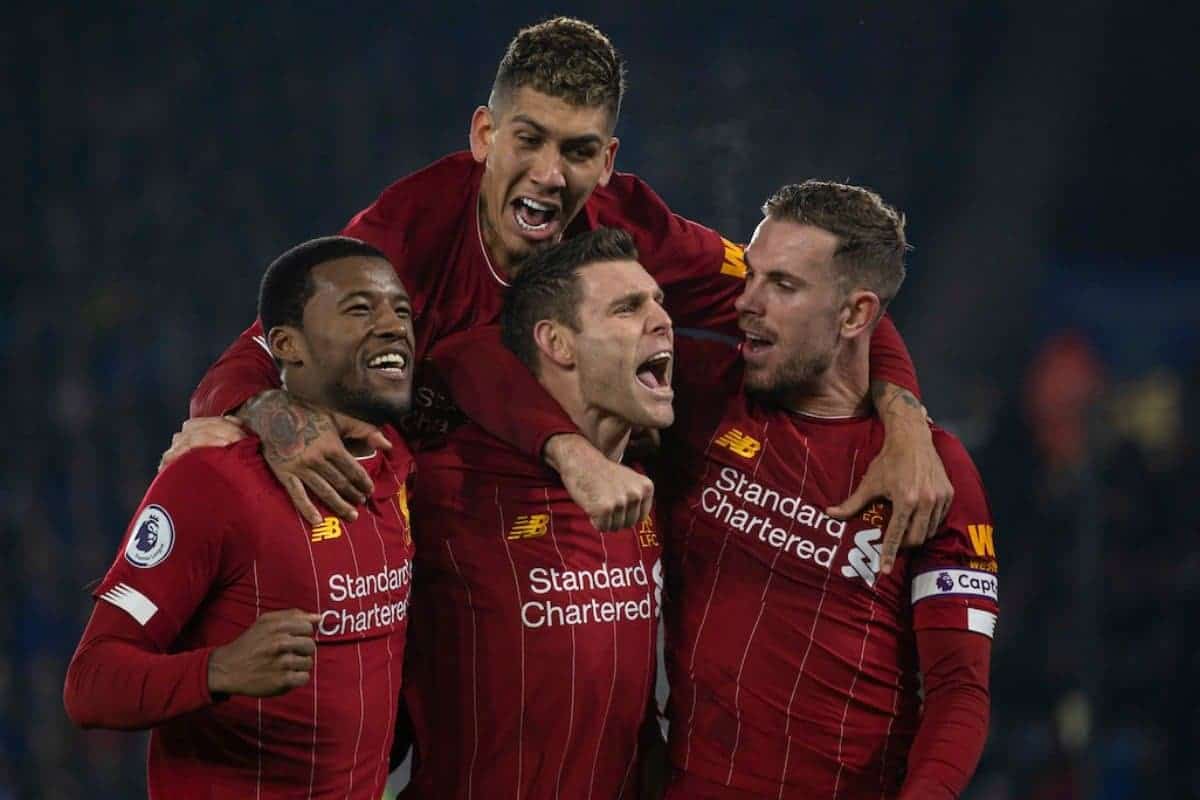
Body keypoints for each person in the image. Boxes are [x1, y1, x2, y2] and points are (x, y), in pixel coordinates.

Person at [176, 17, 951, 560]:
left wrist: (906, 422)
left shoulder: (631, 232)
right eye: (529, 139)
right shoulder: (399, 238)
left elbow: (816, 300)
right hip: (428, 542)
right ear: (485, 136)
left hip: (586, 538)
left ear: (607, 159)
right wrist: (273, 415)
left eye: (577, 150)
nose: (550, 174)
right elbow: (245, 365)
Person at [656, 182, 997, 798]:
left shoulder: (930, 475)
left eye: (783, 286)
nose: (745, 303)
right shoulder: (698, 395)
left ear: (855, 314)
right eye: (752, 276)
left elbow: (958, 693)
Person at [63, 237, 418, 799]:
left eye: (401, 310)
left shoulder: (396, 460)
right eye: (359, 309)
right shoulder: (212, 481)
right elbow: (90, 684)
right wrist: (219, 670)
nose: (393, 325)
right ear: (285, 345)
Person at [402, 227, 671, 798]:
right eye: (627, 308)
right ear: (557, 342)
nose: (661, 319)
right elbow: (457, 353)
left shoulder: (650, 488)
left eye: (658, 302)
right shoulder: (445, 485)